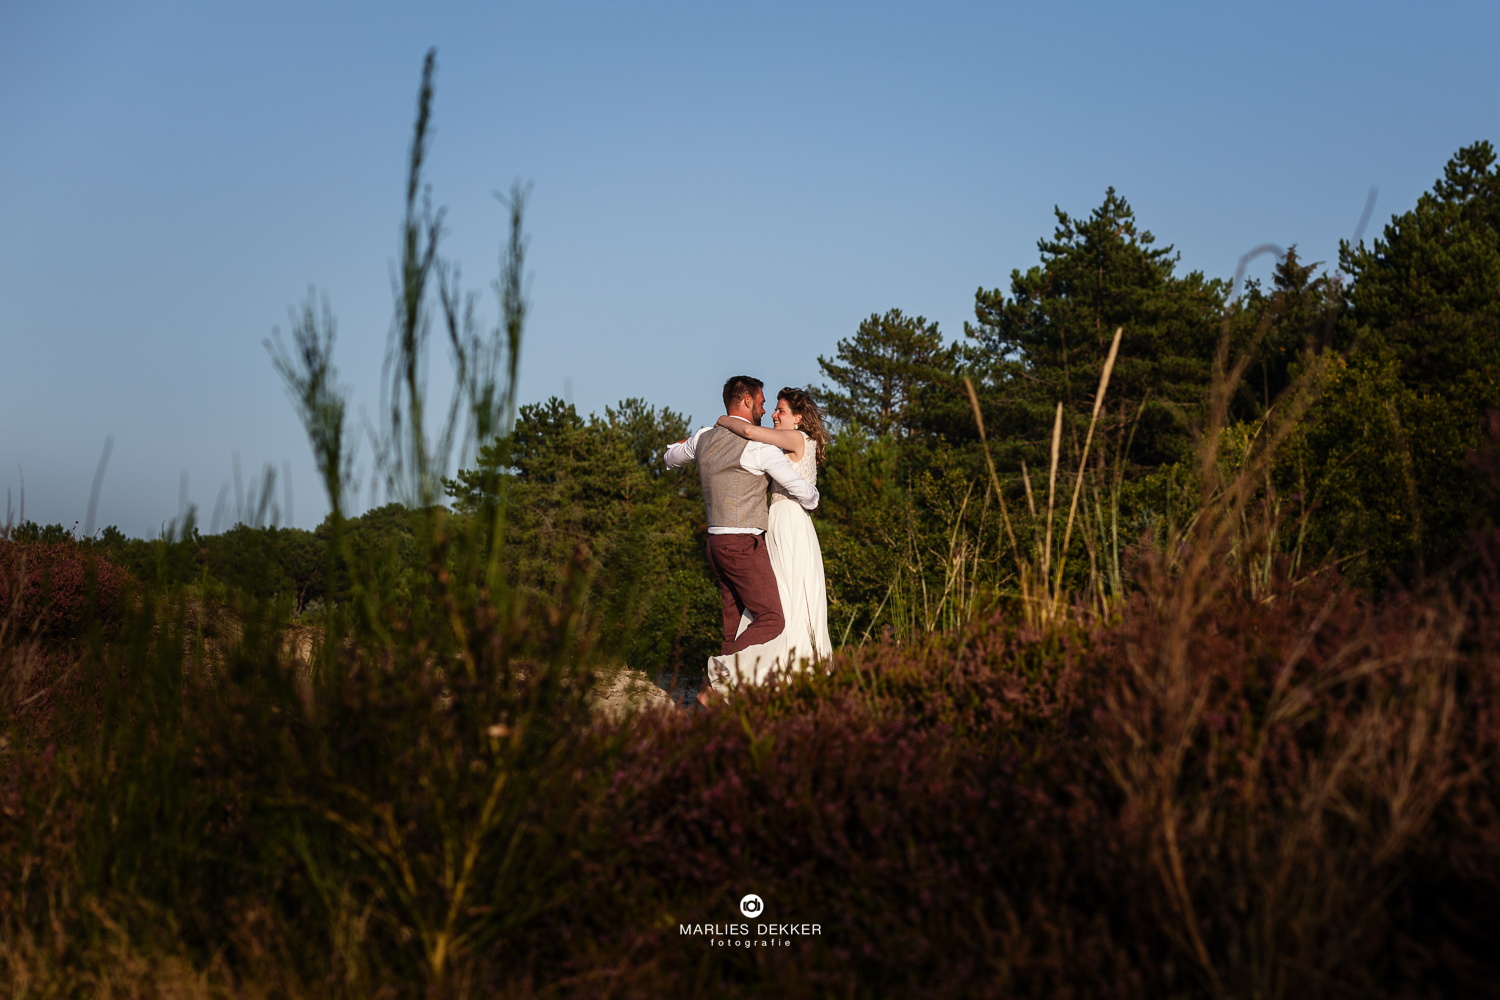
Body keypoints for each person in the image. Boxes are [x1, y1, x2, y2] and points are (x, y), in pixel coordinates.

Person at [663, 376, 819, 700]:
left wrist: (681, 446)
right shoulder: (759, 448)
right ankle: (718, 672)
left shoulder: (704, 437)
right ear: (747, 401)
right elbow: (800, 487)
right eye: (762, 402)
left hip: (714, 546)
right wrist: (812, 499)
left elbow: (670, 457)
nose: (764, 409)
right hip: (744, 545)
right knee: (773, 617)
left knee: (733, 627)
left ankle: (719, 697)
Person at [710, 386, 832, 679]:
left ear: (798, 418)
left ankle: (762, 672)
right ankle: (776, 672)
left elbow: (751, 433)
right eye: (775, 409)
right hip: (783, 522)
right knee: (782, 601)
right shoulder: (797, 440)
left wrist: (725, 420)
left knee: (786, 601)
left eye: (781, 411)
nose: (775, 415)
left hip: (788, 522)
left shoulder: (795, 437)